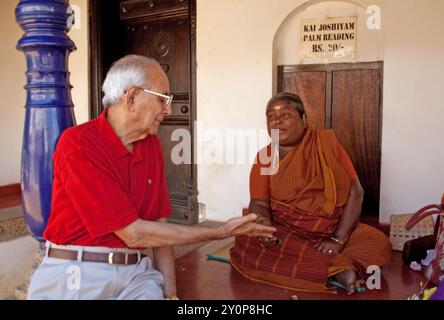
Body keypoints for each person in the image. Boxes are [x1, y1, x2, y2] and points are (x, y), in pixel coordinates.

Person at [27, 55, 276, 300]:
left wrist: (171, 295)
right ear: (132, 97)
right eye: (163, 99)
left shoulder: (150, 145)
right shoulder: (79, 144)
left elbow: (160, 226)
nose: (168, 110)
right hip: (77, 273)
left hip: (136, 275)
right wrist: (219, 232)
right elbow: (134, 234)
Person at [230, 92, 391, 294]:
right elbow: (259, 203)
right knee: (247, 238)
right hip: (286, 230)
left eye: (285, 115)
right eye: (270, 116)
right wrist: (263, 226)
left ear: (304, 119)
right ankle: (338, 269)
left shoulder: (327, 145)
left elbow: (356, 193)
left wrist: (338, 239)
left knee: (377, 242)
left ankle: (331, 266)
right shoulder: (265, 156)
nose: (276, 121)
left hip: (333, 228)